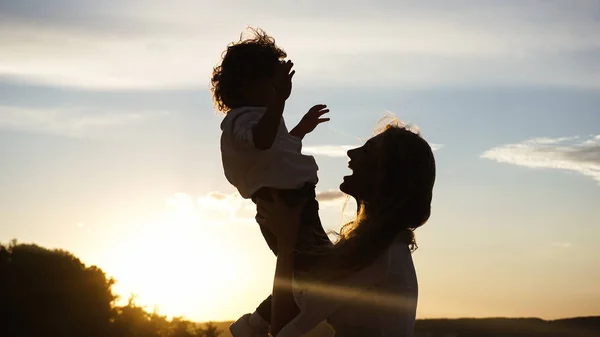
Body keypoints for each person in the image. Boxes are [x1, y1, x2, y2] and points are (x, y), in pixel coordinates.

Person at [257, 121, 436, 337]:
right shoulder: (379, 248)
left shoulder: (379, 255)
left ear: (386, 173)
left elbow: (284, 328)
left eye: (367, 150)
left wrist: (286, 242)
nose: (351, 152)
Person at [211, 28, 332, 337]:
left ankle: (258, 324)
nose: (277, 89)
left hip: (297, 202)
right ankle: (262, 325)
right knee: (315, 275)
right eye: (272, 82)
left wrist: (300, 130)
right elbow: (262, 142)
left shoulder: (260, 117)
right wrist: (280, 102)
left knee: (313, 276)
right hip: (284, 205)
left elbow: (275, 152)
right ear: (248, 85)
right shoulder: (241, 119)